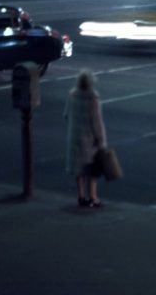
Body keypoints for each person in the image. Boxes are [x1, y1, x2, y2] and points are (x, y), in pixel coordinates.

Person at [64, 69, 108, 208]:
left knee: (79, 169)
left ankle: (81, 195)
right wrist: (100, 140)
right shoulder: (92, 97)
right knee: (92, 169)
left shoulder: (72, 95)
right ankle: (93, 196)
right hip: (89, 139)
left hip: (74, 136)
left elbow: (66, 115)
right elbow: (96, 121)